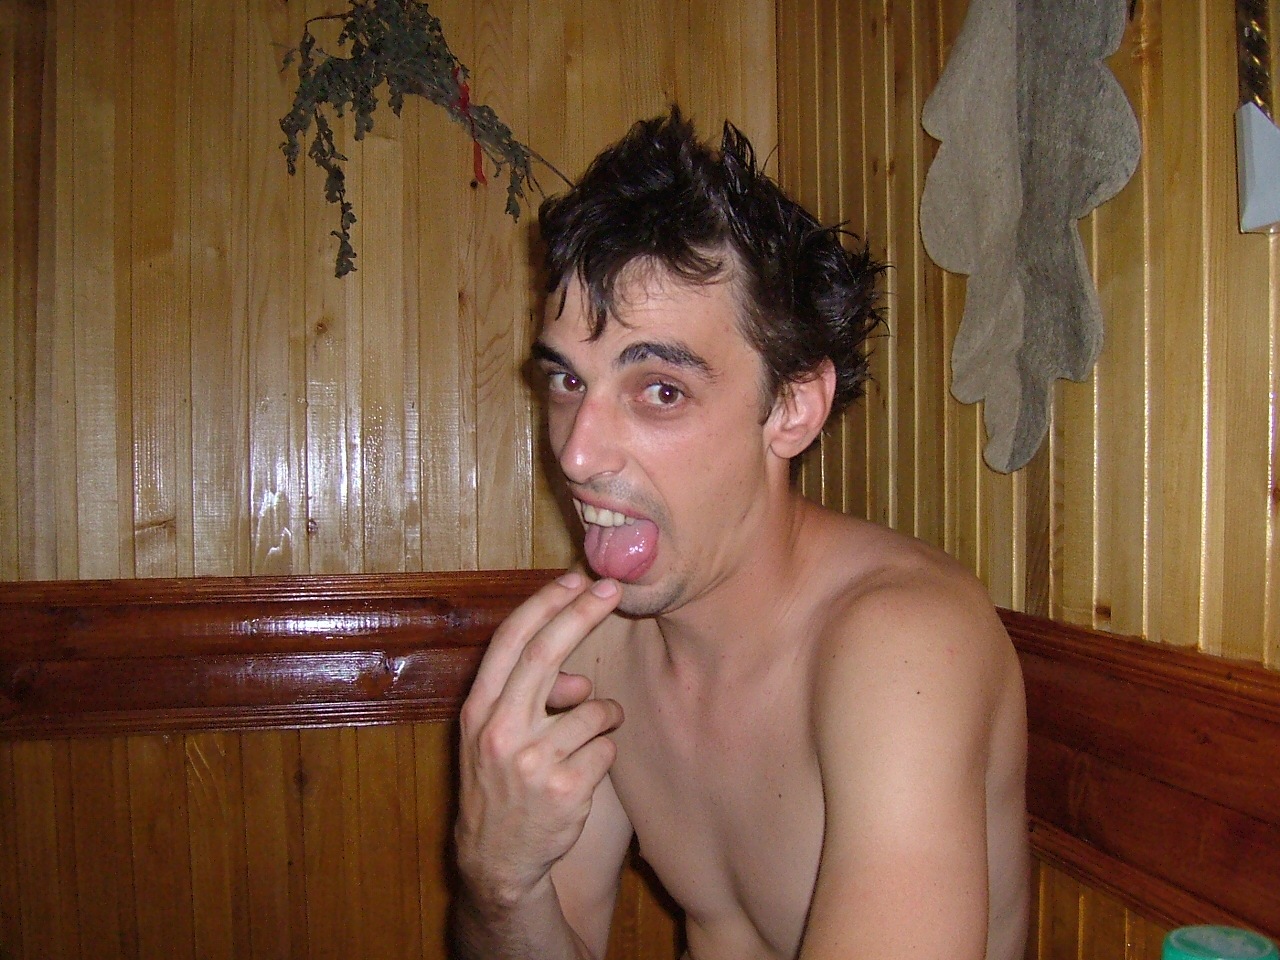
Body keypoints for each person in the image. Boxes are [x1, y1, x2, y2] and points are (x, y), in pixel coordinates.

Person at [451, 107, 1030, 960]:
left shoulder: (902, 649)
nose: (576, 453)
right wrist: (499, 878)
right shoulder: (597, 649)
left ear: (791, 408)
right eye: (568, 382)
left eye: (660, 391)